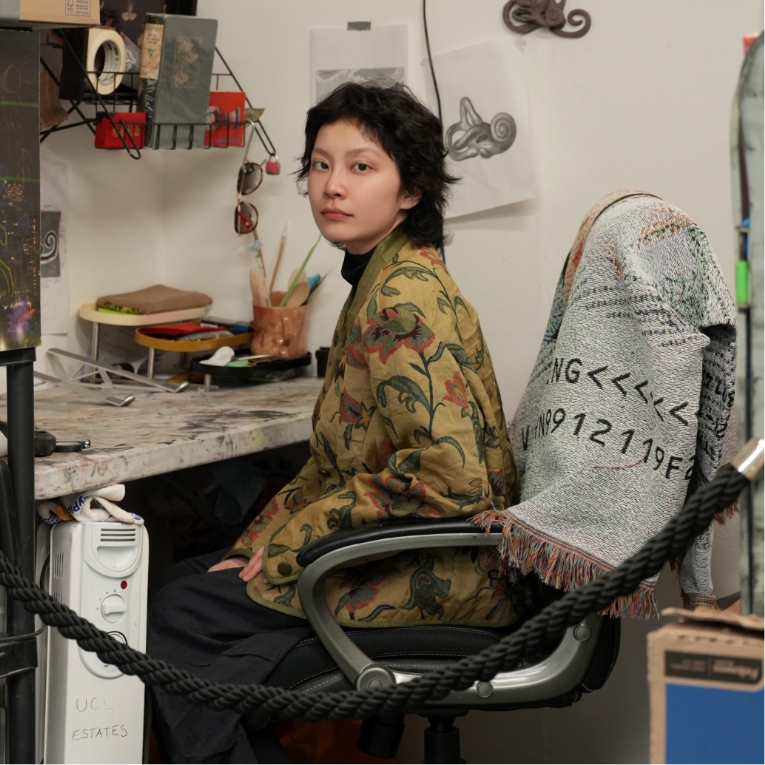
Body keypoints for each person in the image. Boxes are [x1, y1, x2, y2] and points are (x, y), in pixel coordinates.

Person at [148, 82, 522, 763]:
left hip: (444, 568)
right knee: (184, 586)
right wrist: (257, 543)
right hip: (397, 548)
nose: (332, 185)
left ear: (410, 191)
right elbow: (329, 467)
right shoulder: (379, 277)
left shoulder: (401, 296)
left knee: (179, 616)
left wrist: (290, 547)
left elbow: (448, 479)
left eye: (360, 166)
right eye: (320, 165)